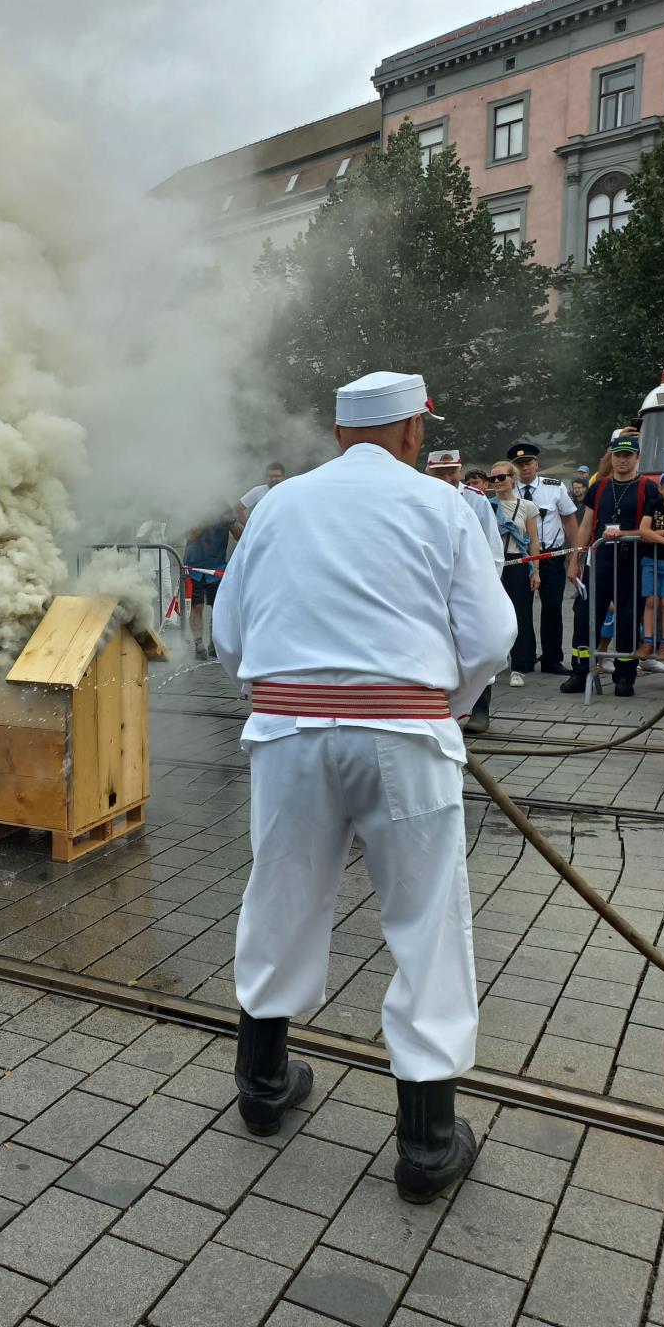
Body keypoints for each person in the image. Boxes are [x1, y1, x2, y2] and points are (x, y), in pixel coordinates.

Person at [213, 370, 514, 1204]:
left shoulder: (277, 505)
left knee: (278, 897)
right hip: (404, 735)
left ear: (341, 432)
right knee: (425, 920)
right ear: (415, 431)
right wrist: (439, 707)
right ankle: (424, 1145)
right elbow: (492, 635)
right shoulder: (443, 505)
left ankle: (263, 1090)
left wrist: (276, 697)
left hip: (287, 735)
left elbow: (228, 631)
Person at [562, 431, 662, 696]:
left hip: (633, 562)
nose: (622, 461)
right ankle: (580, 671)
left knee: (629, 618)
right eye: (618, 455)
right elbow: (585, 525)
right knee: (585, 615)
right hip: (600, 560)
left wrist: (625, 533)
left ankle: (624, 676)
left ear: (637, 458)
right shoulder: (600, 486)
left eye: (628, 456)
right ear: (612, 457)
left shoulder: (647, 488)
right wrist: (575, 560)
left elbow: (649, 528)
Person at [426, 451, 504, 734]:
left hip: (470, 585)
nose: (447, 478)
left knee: (476, 642)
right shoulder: (422, 496)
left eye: (452, 472)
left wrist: (489, 587)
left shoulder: (474, 498)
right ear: (429, 472)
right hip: (436, 584)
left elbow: (493, 548)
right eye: (440, 473)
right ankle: (447, 707)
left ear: (460, 470)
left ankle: (480, 708)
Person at [507, 442, 579, 674]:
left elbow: (569, 519)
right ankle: (524, 658)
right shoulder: (507, 490)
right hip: (520, 558)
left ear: (537, 464)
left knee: (552, 606)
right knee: (521, 608)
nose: (524, 468)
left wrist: (574, 553)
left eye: (527, 463)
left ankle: (551, 658)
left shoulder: (555, 487)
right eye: (519, 464)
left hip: (551, 556)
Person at [488, 461, 541, 687]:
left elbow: (534, 540)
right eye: (493, 479)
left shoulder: (527, 505)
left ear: (513, 478)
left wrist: (535, 570)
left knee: (521, 614)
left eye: (502, 477)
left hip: (518, 562)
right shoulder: (485, 505)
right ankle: (492, 664)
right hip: (493, 564)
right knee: (492, 615)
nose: (497, 482)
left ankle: (518, 666)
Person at [183, 514, 235, 661]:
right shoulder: (195, 509)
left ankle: (214, 643)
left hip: (217, 568)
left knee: (217, 608)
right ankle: (198, 644)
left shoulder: (225, 510)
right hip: (194, 568)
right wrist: (204, 521)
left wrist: (230, 521)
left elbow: (240, 535)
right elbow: (190, 536)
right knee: (196, 606)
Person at [637, 469, 664, 673]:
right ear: (661, 488)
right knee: (649, 600)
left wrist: (654, 535)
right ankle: (647, 642)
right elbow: (643, 531)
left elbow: (649, 533)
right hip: (650, 560)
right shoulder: (653, 505)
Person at [233, 463, 286, 536]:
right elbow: (237, 508)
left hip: (282, 533)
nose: (273, 479)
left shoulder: (288, 492)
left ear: (283, 477)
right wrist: (249, 527)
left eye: (277, 476)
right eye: (270, 476)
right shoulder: (257, 491)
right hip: (261, 535)